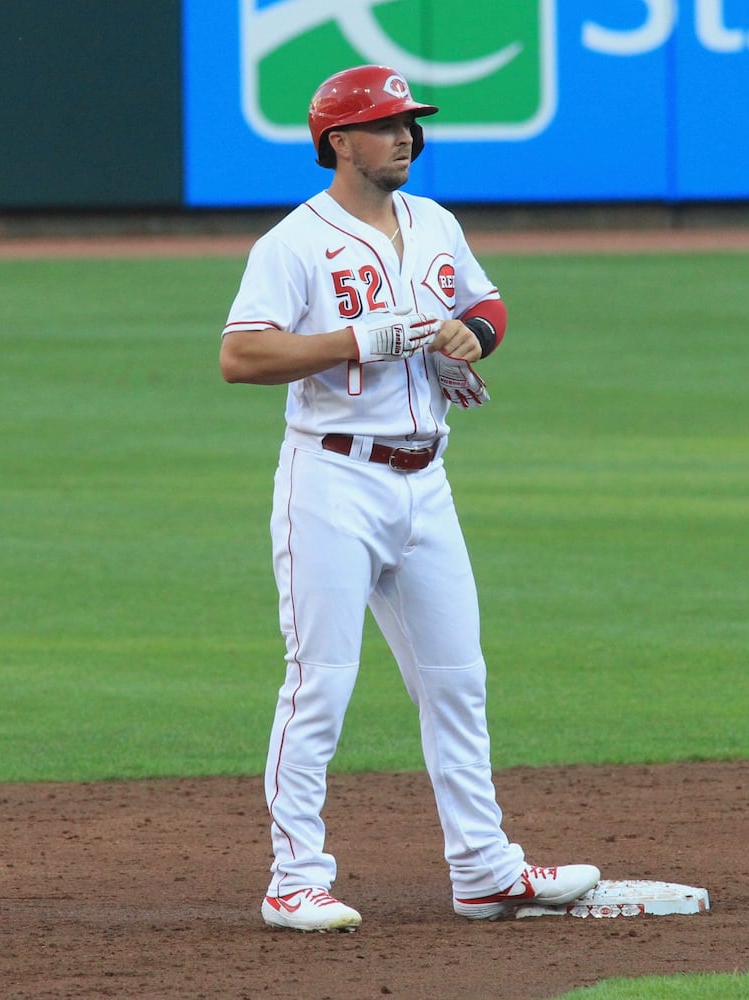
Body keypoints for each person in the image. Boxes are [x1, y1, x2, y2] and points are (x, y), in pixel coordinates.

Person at [218, 64, 600, 932]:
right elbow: (241, 357)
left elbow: (486, 304)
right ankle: (294, 880)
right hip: (332, 479)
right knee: (321, 685)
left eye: (409, 122)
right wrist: (359, 338)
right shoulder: (294, 242)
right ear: (338, 142)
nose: (406, 136)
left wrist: (473, 336)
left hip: (427, 483)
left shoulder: (434, 222)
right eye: (386, 124)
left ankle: (485, 870)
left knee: (458, 682)